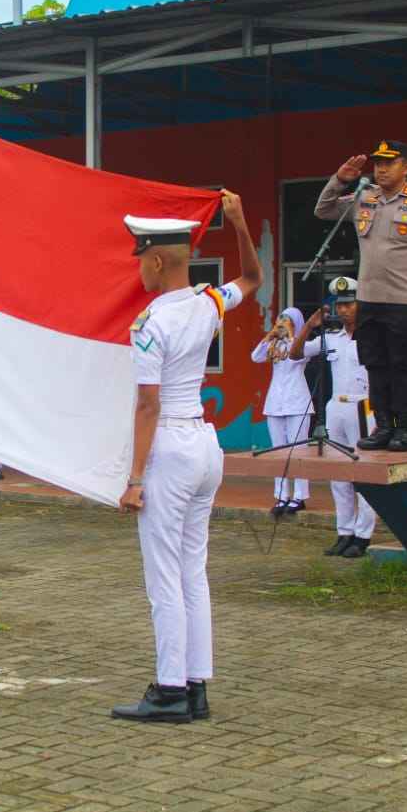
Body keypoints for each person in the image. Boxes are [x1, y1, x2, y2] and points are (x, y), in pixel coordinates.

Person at [112, 190, 261, 724]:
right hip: (205, 443)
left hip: (171, 447)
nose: (140, 270)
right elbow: (252, 279)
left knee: (164, 576)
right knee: (192, 570)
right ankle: (196, 684)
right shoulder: (207, 302)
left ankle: (170, 688)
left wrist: (133, 479)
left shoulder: (151, 323)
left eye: (141, 260)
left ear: (156, 260)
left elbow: (147, 403)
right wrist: (239, 223)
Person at [315, 140, 407, 452]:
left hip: (405, 299)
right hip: (369, 299)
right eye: (378, 164)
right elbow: (323, 210)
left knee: (403, 365)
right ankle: (383, 426)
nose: (381, 169)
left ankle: (404, 429)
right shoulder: (365, 197)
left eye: (390, 163)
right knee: (375, 364)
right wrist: (341, 179)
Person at [291, 277, 378, 559]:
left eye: (349, 304)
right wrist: (309, 326)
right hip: (336, 408)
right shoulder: (331, 338)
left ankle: (363, 536)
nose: (343, 310)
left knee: (364, 475)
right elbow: (295, 354)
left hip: (363, 408)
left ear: (360, 305)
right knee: (338, 475)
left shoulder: (371, 337)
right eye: (340, 305)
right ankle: (345, 532)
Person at [250, 307, 312, 515]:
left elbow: (298, 356)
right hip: (275, 403)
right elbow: (255, 357)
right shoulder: (274, 344)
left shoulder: (301, 345)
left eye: (287, 320)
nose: (283, 323)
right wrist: (270, 335)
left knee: (298, 451)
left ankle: (299, 496)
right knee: (278, 451)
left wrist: (294, 335)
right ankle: (281, 496)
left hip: (297, 402)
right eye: (281, 319)